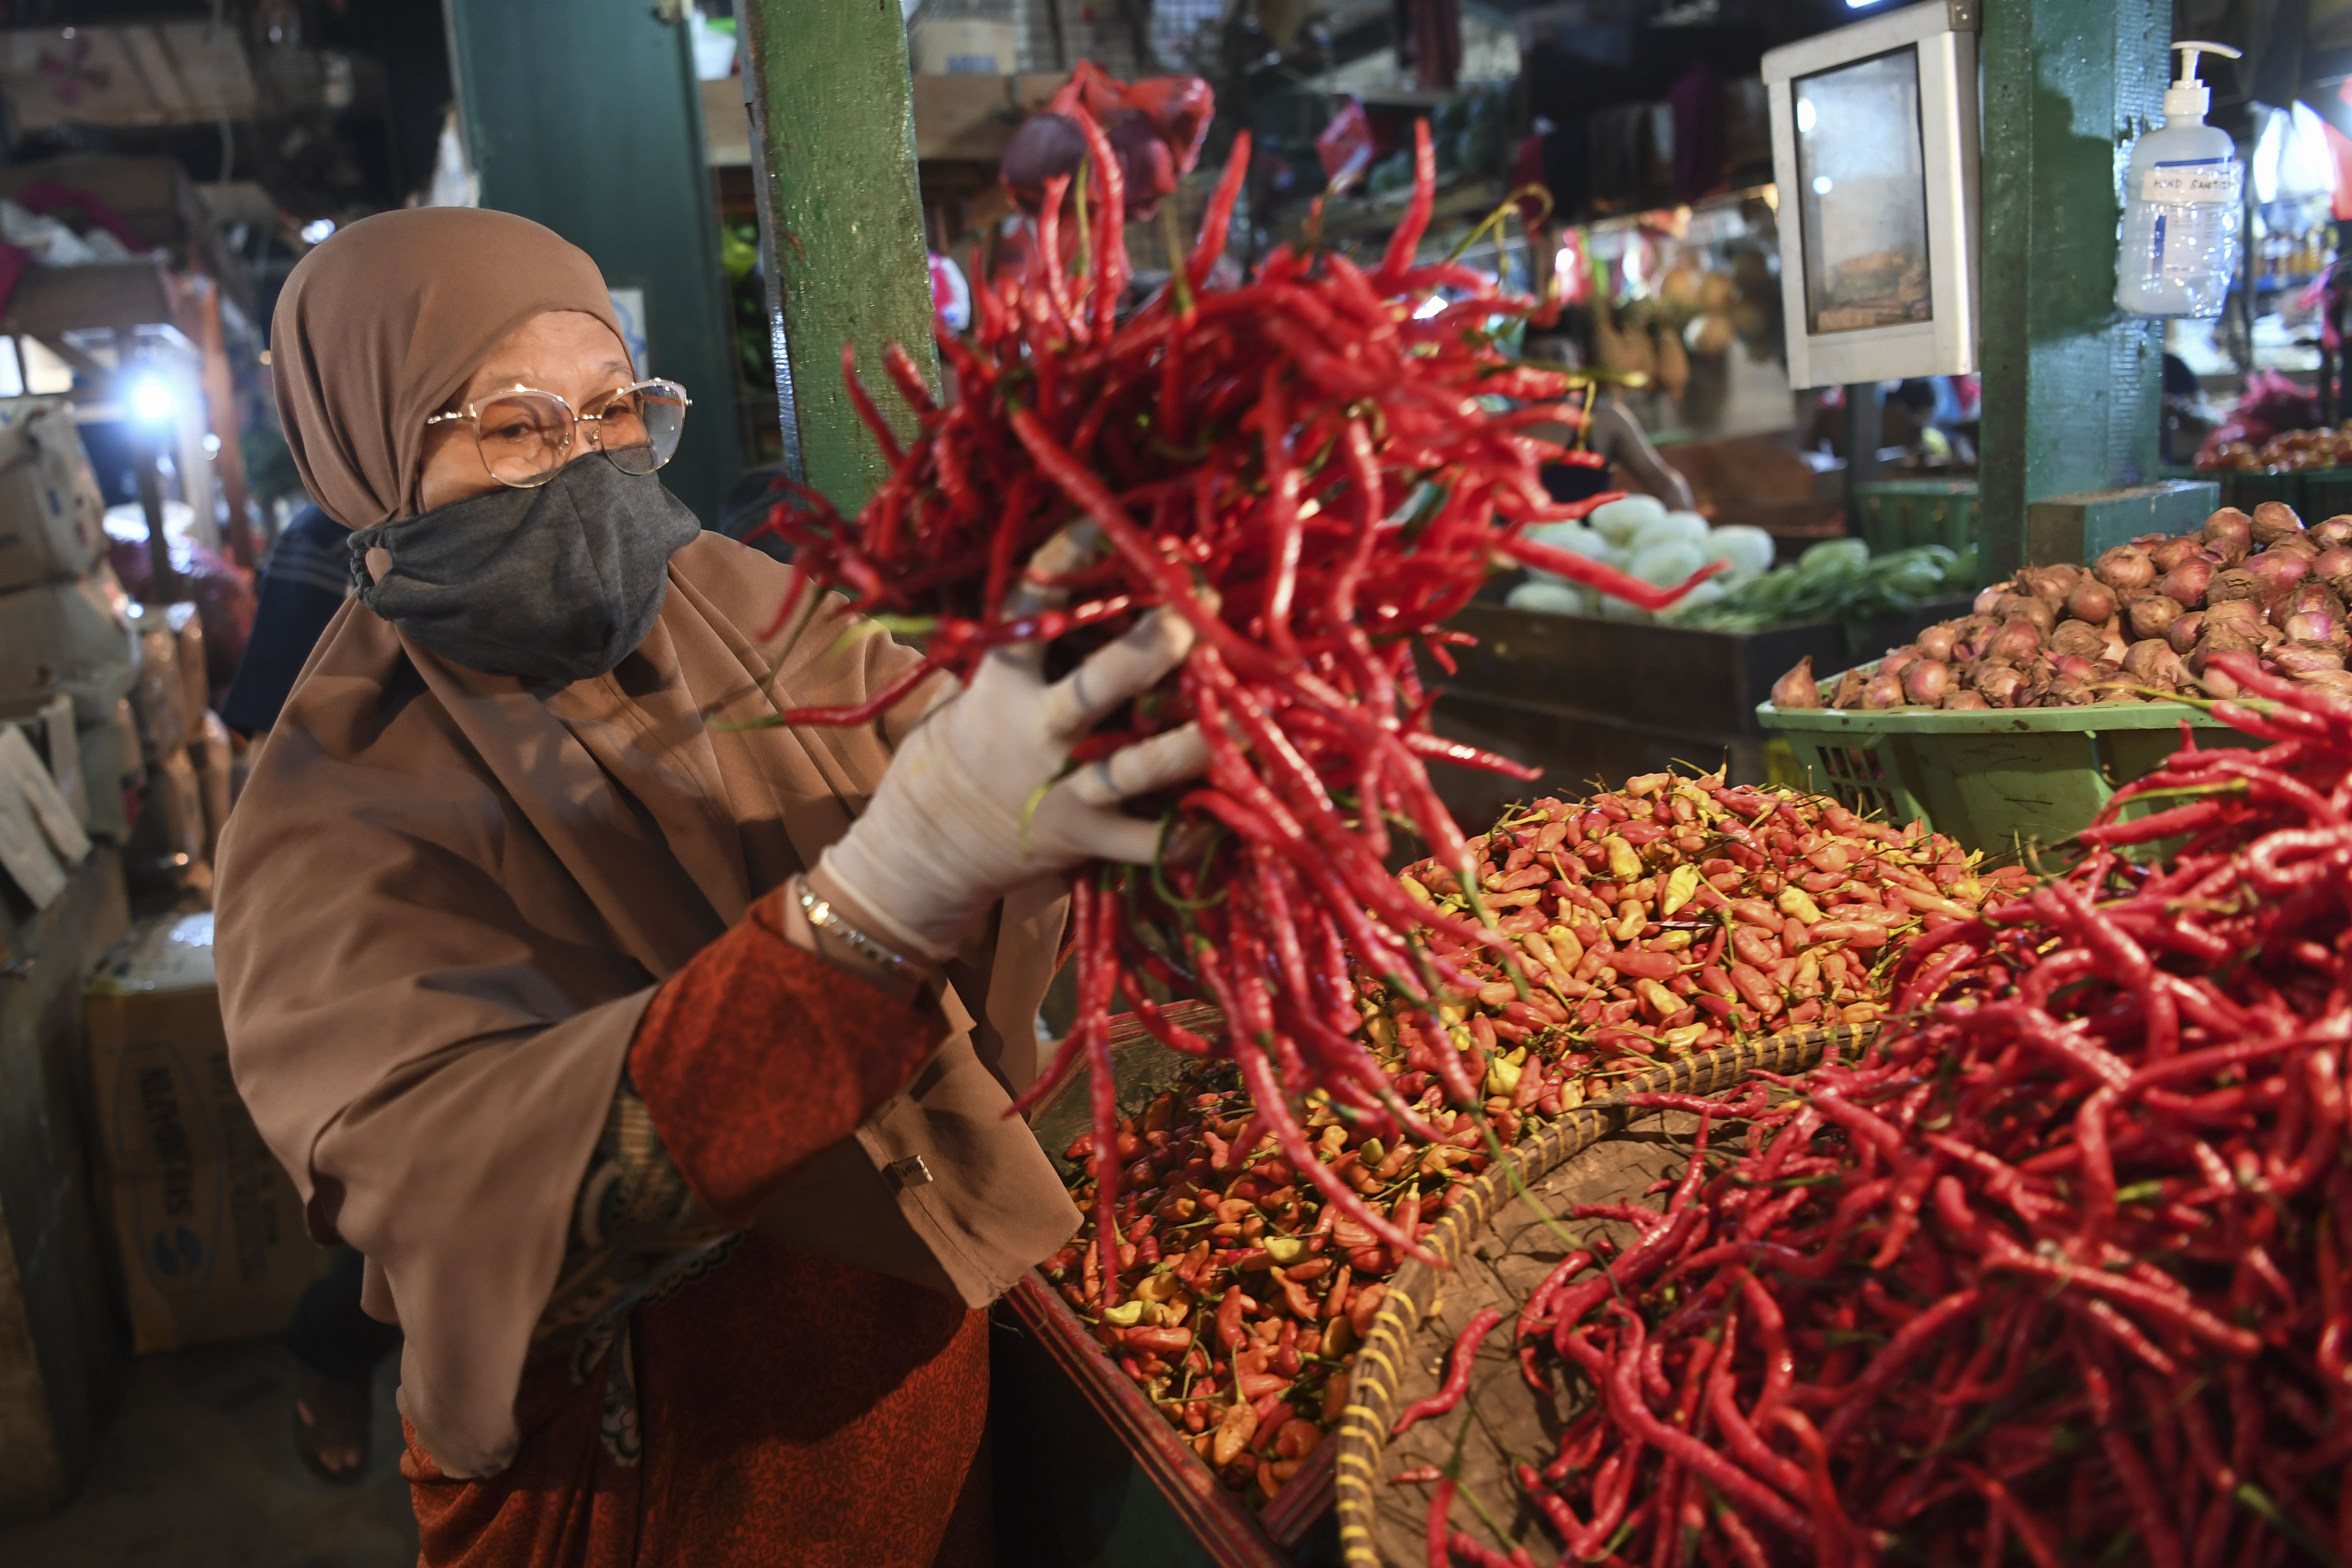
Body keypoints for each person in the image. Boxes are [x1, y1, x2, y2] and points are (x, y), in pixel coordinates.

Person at [215, 207, 1206, 1566]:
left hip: (914, 1346)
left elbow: (975, 784)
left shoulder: (750, 615)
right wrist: (875, 903)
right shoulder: (334, 816)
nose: (588, 466)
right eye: (516, 427)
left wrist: (1108, 729)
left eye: (616, 409)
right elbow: (470, 1186)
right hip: (649, 1459)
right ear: (372, 450)